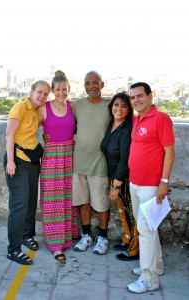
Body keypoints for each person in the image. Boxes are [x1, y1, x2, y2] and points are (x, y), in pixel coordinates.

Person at [127, 82, 175, 293]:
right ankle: (157, 265)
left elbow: (170, 152)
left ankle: (150, 279)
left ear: (150, 96)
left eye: (140, 96)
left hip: (151, 185)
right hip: (135, 182)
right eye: (133, 97)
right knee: (147, 227)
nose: (136, 100)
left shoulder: (161, 118)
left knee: (145, 230)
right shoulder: (136, 118)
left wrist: (163, 183)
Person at [4, 80, 51, 265]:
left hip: (32, 160)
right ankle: (13, 249)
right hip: (17, 161)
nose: (42, 96)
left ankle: (26, 235)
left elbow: (33, 130)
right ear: (31, 91)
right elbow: (9, 135)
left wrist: (46, 135)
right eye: (39, 92)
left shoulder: (37, 110)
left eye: (46, 94)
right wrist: (10, 161)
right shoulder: (20, 107)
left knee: (32, 200)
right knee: (19, 205)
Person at [38, 71, 79, 262]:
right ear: (52, 91)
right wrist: (43, 138)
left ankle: (68, 237)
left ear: (68, 89)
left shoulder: (73, 107)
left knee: (67, 199)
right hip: (51, 158)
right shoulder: (44, 108)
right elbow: (29, 128)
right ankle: (56, 246)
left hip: (69, 157)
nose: (61, 93)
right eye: (58, 89)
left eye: (64, 89)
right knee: (52, 201)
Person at [72, 71, 111, 255]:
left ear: (102, 85)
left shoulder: (111, 106)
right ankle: (86, 235)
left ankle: (103, 237)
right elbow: (66, 125)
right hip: (79, 163)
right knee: (83, 202)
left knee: (102, 203)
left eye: (95, 83)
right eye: (87, 83)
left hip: (100, 163)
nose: (91, 86)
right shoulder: (77, 105)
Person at [101, 92, 139, 261]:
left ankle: (134, 250)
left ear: (129, 110)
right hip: (114, 175)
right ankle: (127, 239)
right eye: (116, 105)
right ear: (111, 107)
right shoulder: (112, 124)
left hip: (124, 178)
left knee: (131, 214)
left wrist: (116, 185)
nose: (119, 109)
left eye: (124, 106)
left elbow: (125, 159)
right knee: (123, 212)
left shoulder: (127, 128)